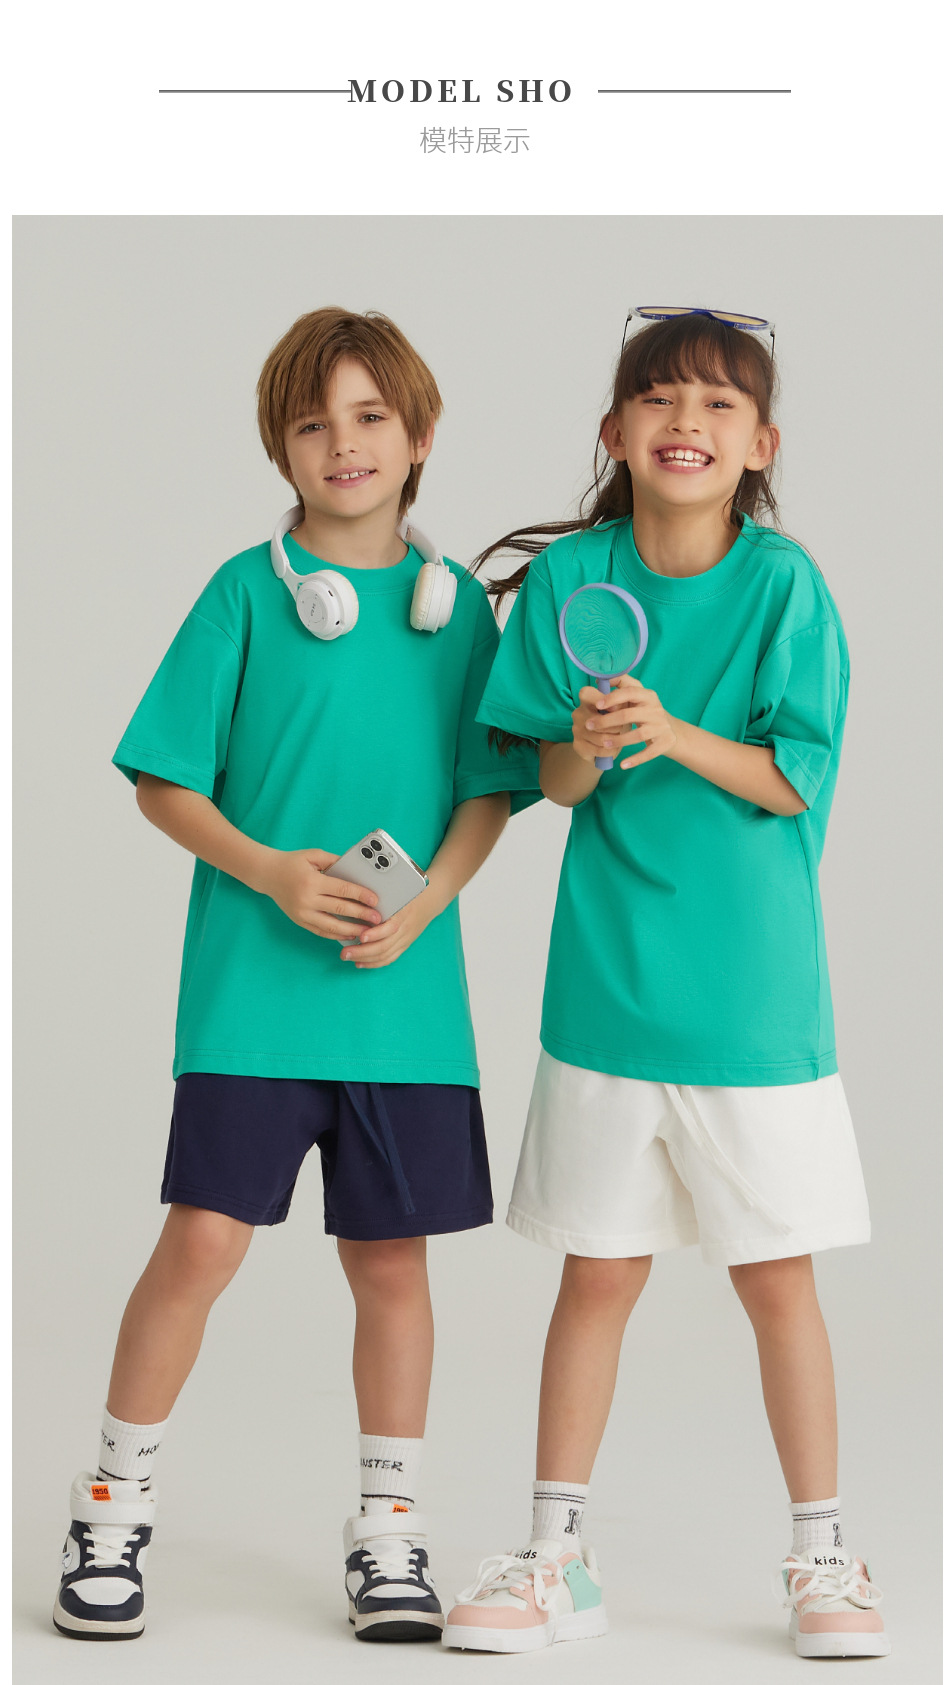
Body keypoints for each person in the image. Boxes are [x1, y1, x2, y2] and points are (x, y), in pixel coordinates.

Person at [53, 307, 540, 1644]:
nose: (343, 443)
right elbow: (163, 779)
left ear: (419, 435)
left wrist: (429, 900)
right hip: (252, 1001)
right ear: (280, 445)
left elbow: (488, 794)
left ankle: (390, 1532)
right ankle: (111, 1504)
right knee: (204, 1241)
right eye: (313, 422)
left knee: (391, 1263)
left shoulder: (458, 616)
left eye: (370, 417)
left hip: (405, 1010)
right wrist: (270, 870)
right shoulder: (243, 593)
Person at [442, 308, 889, 1661]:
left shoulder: (784, 587)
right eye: (658, 397)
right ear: (614, 432)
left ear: (759, 446)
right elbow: (547, 781)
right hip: (607, 999)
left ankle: (824, 1556)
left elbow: (791, 777)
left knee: (775, 1281)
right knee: (596, 1275)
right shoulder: (574, 577)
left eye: (716, 403)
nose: (684, 420)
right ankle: (555, 1559)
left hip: (754, 1009)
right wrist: (585, 740)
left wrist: (670, 726)